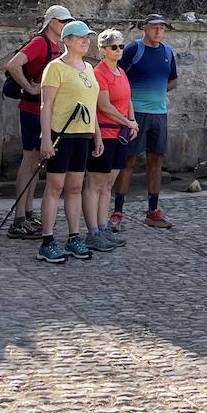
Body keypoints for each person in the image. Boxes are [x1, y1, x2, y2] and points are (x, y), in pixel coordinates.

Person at [3, 3, 71, 239]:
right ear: (52, 22)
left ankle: (29, 213)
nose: (65, 26)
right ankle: (19, 218)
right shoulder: (40, 42)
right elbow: (12, 65)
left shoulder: (55, 44)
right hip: (32, 110)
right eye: (63, 22)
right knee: (30, 160)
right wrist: (30, 88)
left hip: (43, 110)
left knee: (36, 163)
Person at [37, 20, 102, 263]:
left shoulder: (88, 68)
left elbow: (91, 105)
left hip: (82, 136)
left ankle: (74, 237)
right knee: (55, 187)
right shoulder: (55, 68)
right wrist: (45, 139)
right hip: (60, 135)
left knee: (75, 187)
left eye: (88, 37)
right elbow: (46, 105)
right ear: (67, 40)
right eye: (80, 37)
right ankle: (47, 240)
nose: (86, 40)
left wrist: (97, 135)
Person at [112, 15, 178, 230]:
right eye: (154, 28)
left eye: (162, 28)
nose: (159, 32)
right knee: (128, 160)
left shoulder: (167, 52)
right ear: (145, 29)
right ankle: (117, 212)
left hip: (159, 114)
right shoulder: (134, 49)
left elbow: (173, 80)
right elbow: (117, 73)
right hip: (135, 114)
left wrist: (156, 94)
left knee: (156, 160)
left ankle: (153, 211)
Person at [83, 28, 140, 253]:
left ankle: (103, 226)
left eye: (120, 46)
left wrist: (131, 120)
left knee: (108, 184)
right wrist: (128, 122)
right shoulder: (99, 73)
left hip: (119, 134)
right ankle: (92, 231)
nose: (118, 50)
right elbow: (104, 105)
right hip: (104, 133)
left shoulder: (120, 72)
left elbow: (127, 99)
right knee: (95, 183)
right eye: (113, 47)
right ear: (102, 50)